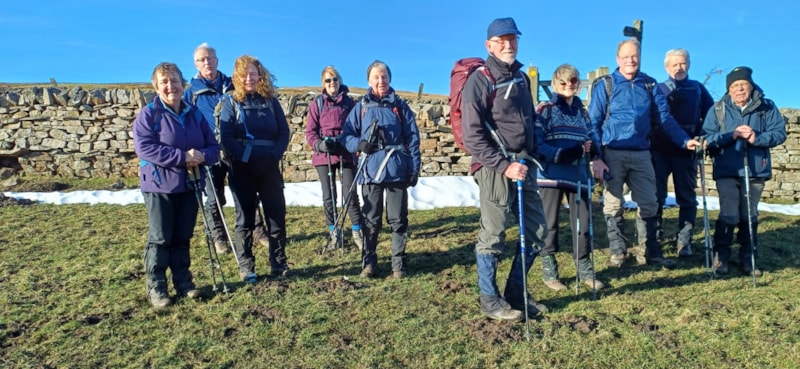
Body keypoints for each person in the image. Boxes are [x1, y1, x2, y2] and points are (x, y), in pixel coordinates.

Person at [461, 17, 547, 322]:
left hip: (524, 165)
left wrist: (531, 155)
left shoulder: (522, 79)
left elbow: (529, 122)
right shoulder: (480, 80)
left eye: (512, 39)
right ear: (489, 46)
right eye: (502, 40)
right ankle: (489, 299)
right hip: (493, 167)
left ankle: (515, 292)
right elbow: (472, 135)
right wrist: (503, 165)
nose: (509, 45)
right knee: (494, 232)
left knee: (537, 230)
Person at [587, 38, 700, 270]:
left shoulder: (649, 85)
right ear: (618, 59)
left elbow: (664, 117)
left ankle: (649, 251)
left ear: (640, 57)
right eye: (626, 56)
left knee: (650, 202)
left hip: (641, 154)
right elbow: (593, 122)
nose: (631, 60)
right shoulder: (605, 85)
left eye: (635, 56)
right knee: (613, 204)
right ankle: (618, 252)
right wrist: (596, 157)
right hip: (612, 153)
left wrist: (684, 140)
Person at [133, 62, 219, 308]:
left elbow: (213, 147)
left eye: (175, 81)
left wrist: (201, 156)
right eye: (164, 82)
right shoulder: (149, 115)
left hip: (190, 184)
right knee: (160, 238)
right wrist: (182, 157)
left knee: (183, 236)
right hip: (160, 185)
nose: (171, 86)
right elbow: (145, 148)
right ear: (156, 86)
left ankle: (184, 283)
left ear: (183, 84)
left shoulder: (195, 114)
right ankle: (156, 287)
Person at [183, 43, 270, 254]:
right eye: (202, 60)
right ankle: (218, 236)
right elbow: (186, 121)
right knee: (214, 196)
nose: (207, 63)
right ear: (195, 64)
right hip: (208, 151)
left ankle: (257, 230)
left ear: (217, 61)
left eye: (210, 58)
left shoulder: (231, 84)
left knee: (246, 191)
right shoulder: (191, 93)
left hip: (236, 147)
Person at [702, 66, 786, 276]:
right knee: (729, 214)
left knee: (749, 214)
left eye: (743, 85)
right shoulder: (718, 109)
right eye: (735, 86)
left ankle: (748, 257)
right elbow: (706, 138)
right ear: (729, 89)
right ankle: (721, 256)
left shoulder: (766, 107)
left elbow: (779, 133)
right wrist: (730, 136)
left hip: (755, 170)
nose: (739, 89)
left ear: (751, 86)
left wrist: (756, 137)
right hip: (727, 170)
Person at [341, 60, 421, 279]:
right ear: (369, 80)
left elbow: (413, 138)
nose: (381, 81)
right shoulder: (361, 108)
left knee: (398, 219)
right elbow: (346, 135)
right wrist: (359, 145)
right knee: (370, 220)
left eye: (384, 76)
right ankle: (368, 263)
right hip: (370, 172)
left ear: (390, 78)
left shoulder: (400, 107)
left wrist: (414, 167)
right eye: (376, 77)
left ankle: (398, 265)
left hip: (397, 170)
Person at [218, 55, 292, 282]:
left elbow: (283, 132)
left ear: (260, 75)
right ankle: (246, 267)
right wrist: (245, 157)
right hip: (242, 168)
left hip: (269, 165)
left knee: (276, 215)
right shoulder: (230, 103)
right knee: (245, 218)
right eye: (244, 74)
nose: (249, 78)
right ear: (236, 78)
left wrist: (274, 155)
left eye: (253, 73)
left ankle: (278, 263)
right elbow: (226, 135)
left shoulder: (270, 101)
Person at [535, 64, 605, 291]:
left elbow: (592, 136)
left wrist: (593, 150)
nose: (568, 86)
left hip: (579, 174)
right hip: (551, 174)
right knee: (549, 223)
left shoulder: (582, 112)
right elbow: (537, 142)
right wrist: (561, 154)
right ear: (555, 83)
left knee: (583, 224)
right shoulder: (545, 108)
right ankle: (549, 269)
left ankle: (584, 267)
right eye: (563, 82)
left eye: (573, 81)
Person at [649, 48, 714, 257]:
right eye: (675, 64)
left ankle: (684, 241)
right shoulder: (658, 89)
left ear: (689, 64)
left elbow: (711, 117)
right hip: (659, 150)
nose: (679, 68)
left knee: (686, 197)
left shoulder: (698, 89)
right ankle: (655, 238)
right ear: (667, 67)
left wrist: (703, 138)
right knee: (656, 196)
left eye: (683, 63)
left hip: (686, 152)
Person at [305, 66, 363, 250]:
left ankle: (357, 231)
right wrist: (320, 145)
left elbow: (357, 128)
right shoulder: (318, 104)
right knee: (329, 196)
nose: (332, 83)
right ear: (323, 83)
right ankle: (334, 232)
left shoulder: (350, 103)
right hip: (325, 155)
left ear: (340, 81)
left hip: (346, 152)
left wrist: (350, 143)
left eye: (335, 79)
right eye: (328, 80)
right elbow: (310, 132)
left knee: (350, 193)